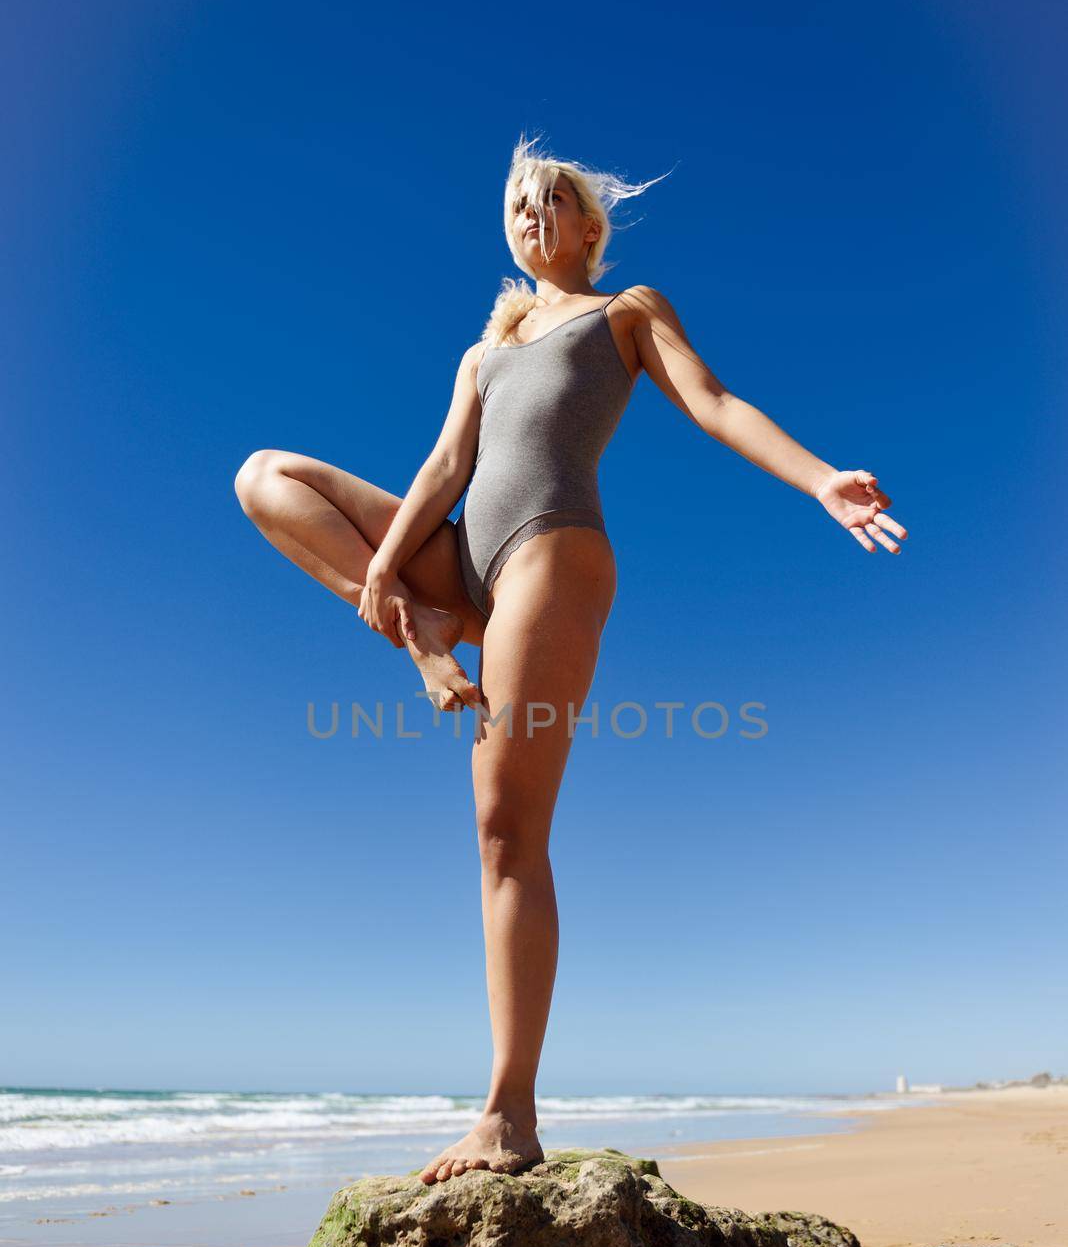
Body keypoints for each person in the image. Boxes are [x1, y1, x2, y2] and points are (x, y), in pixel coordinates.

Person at [233, 134, 908, 1186]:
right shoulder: (482, 351)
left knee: (506, 830)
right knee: (266, 475)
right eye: (513, 204)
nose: (527, 214)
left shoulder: (626, 310)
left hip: (551, 558)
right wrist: (390, 578)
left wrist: (820, 480)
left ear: (589, 227)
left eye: (547, 200)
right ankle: (431, 632)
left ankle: (510, 1110)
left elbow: (717, 404)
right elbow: (447, 466)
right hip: (463, 563)